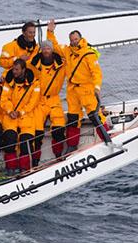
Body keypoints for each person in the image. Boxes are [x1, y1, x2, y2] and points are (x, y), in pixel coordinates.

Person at [46, 19, 111, 153]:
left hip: (87, 89)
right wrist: (50, 31)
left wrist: (97, 88)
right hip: (72, 90)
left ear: (80, 38)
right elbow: (54, 46)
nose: (74, 41)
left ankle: (108, 137)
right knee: (73, 119)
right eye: (72, 39)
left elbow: (97, 73)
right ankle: (71, 146)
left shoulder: (89, 53)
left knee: (95, 115)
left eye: (76, 39)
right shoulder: (67, 51)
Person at [29, 39, 66, 165]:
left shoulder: (62, 64)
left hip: (54, 99)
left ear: (52, 50)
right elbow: (19, 69)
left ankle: (58, 155)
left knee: (59, 129)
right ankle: (35, 160)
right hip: (39, 101)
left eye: (48, 48)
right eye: (44, 48)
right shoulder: (33, 64)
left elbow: (76, 62)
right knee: (37, 133)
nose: (46, 51)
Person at [0, 59, 40, 172]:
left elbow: (33, 102)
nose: (14, 71)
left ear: (23, 70)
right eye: (13, 69)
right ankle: (10, 169)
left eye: (17, 69)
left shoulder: (35, 83)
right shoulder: (8, 82)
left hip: (26, 117)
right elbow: (4, 99)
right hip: (10, 117)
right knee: (10, 141)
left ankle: (25, 170)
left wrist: (20, 112)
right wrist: (10, 111)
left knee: (25, 144)